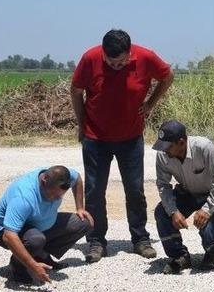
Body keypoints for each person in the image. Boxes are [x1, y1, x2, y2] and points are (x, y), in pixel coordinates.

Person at [71, 29, 174, 263]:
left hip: (131, 138)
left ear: (130, 52)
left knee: (135, 189)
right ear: (103, 53)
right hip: (95, 138)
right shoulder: (90, 58)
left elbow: (168, 77)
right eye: (111, 63)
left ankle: (140, 239)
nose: (116, 66)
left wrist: (150, 103)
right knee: (95, 191)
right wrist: (81, 124)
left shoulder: (146, 57)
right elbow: (75, 91)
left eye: (121, 62)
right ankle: (96, 241)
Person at [0, 166, 93, 284]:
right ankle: (18, 267)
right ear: (44, 180)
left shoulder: (63, 177)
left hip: (39, 223)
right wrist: (32, 265)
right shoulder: (23, 196)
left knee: (83, 222)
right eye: (53, 195)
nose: (56, 199)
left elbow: (77, 178)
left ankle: (41, 256)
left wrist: (80, 208)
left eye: (59, 196)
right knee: (35, 239)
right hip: (7, 231)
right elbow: (8, 236)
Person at [152, 120, 214, 273]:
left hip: (211, 195)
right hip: (186, 193)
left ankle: (213, 251)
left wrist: (207, 210)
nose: (164, 150)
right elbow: (163, 185)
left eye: (168, 146)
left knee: (209, 232)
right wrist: (173, 211)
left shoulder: (204, 147)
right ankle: (179, 256)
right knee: (162, 213)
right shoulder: (162, 154)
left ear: (181, 142)